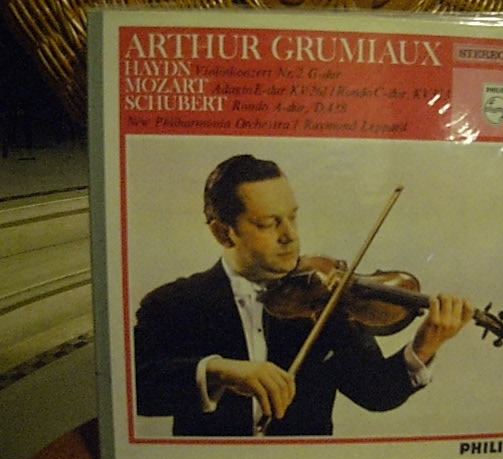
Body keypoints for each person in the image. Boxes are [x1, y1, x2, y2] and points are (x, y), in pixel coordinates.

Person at [134, 154, 473, 437]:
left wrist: (425, 344)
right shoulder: (172, 304)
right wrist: (218, 371)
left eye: (292, 217)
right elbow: (137, 389)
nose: (290, 236)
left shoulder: (323, 301)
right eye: (268, 223)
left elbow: (376, 392)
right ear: (224, 233)